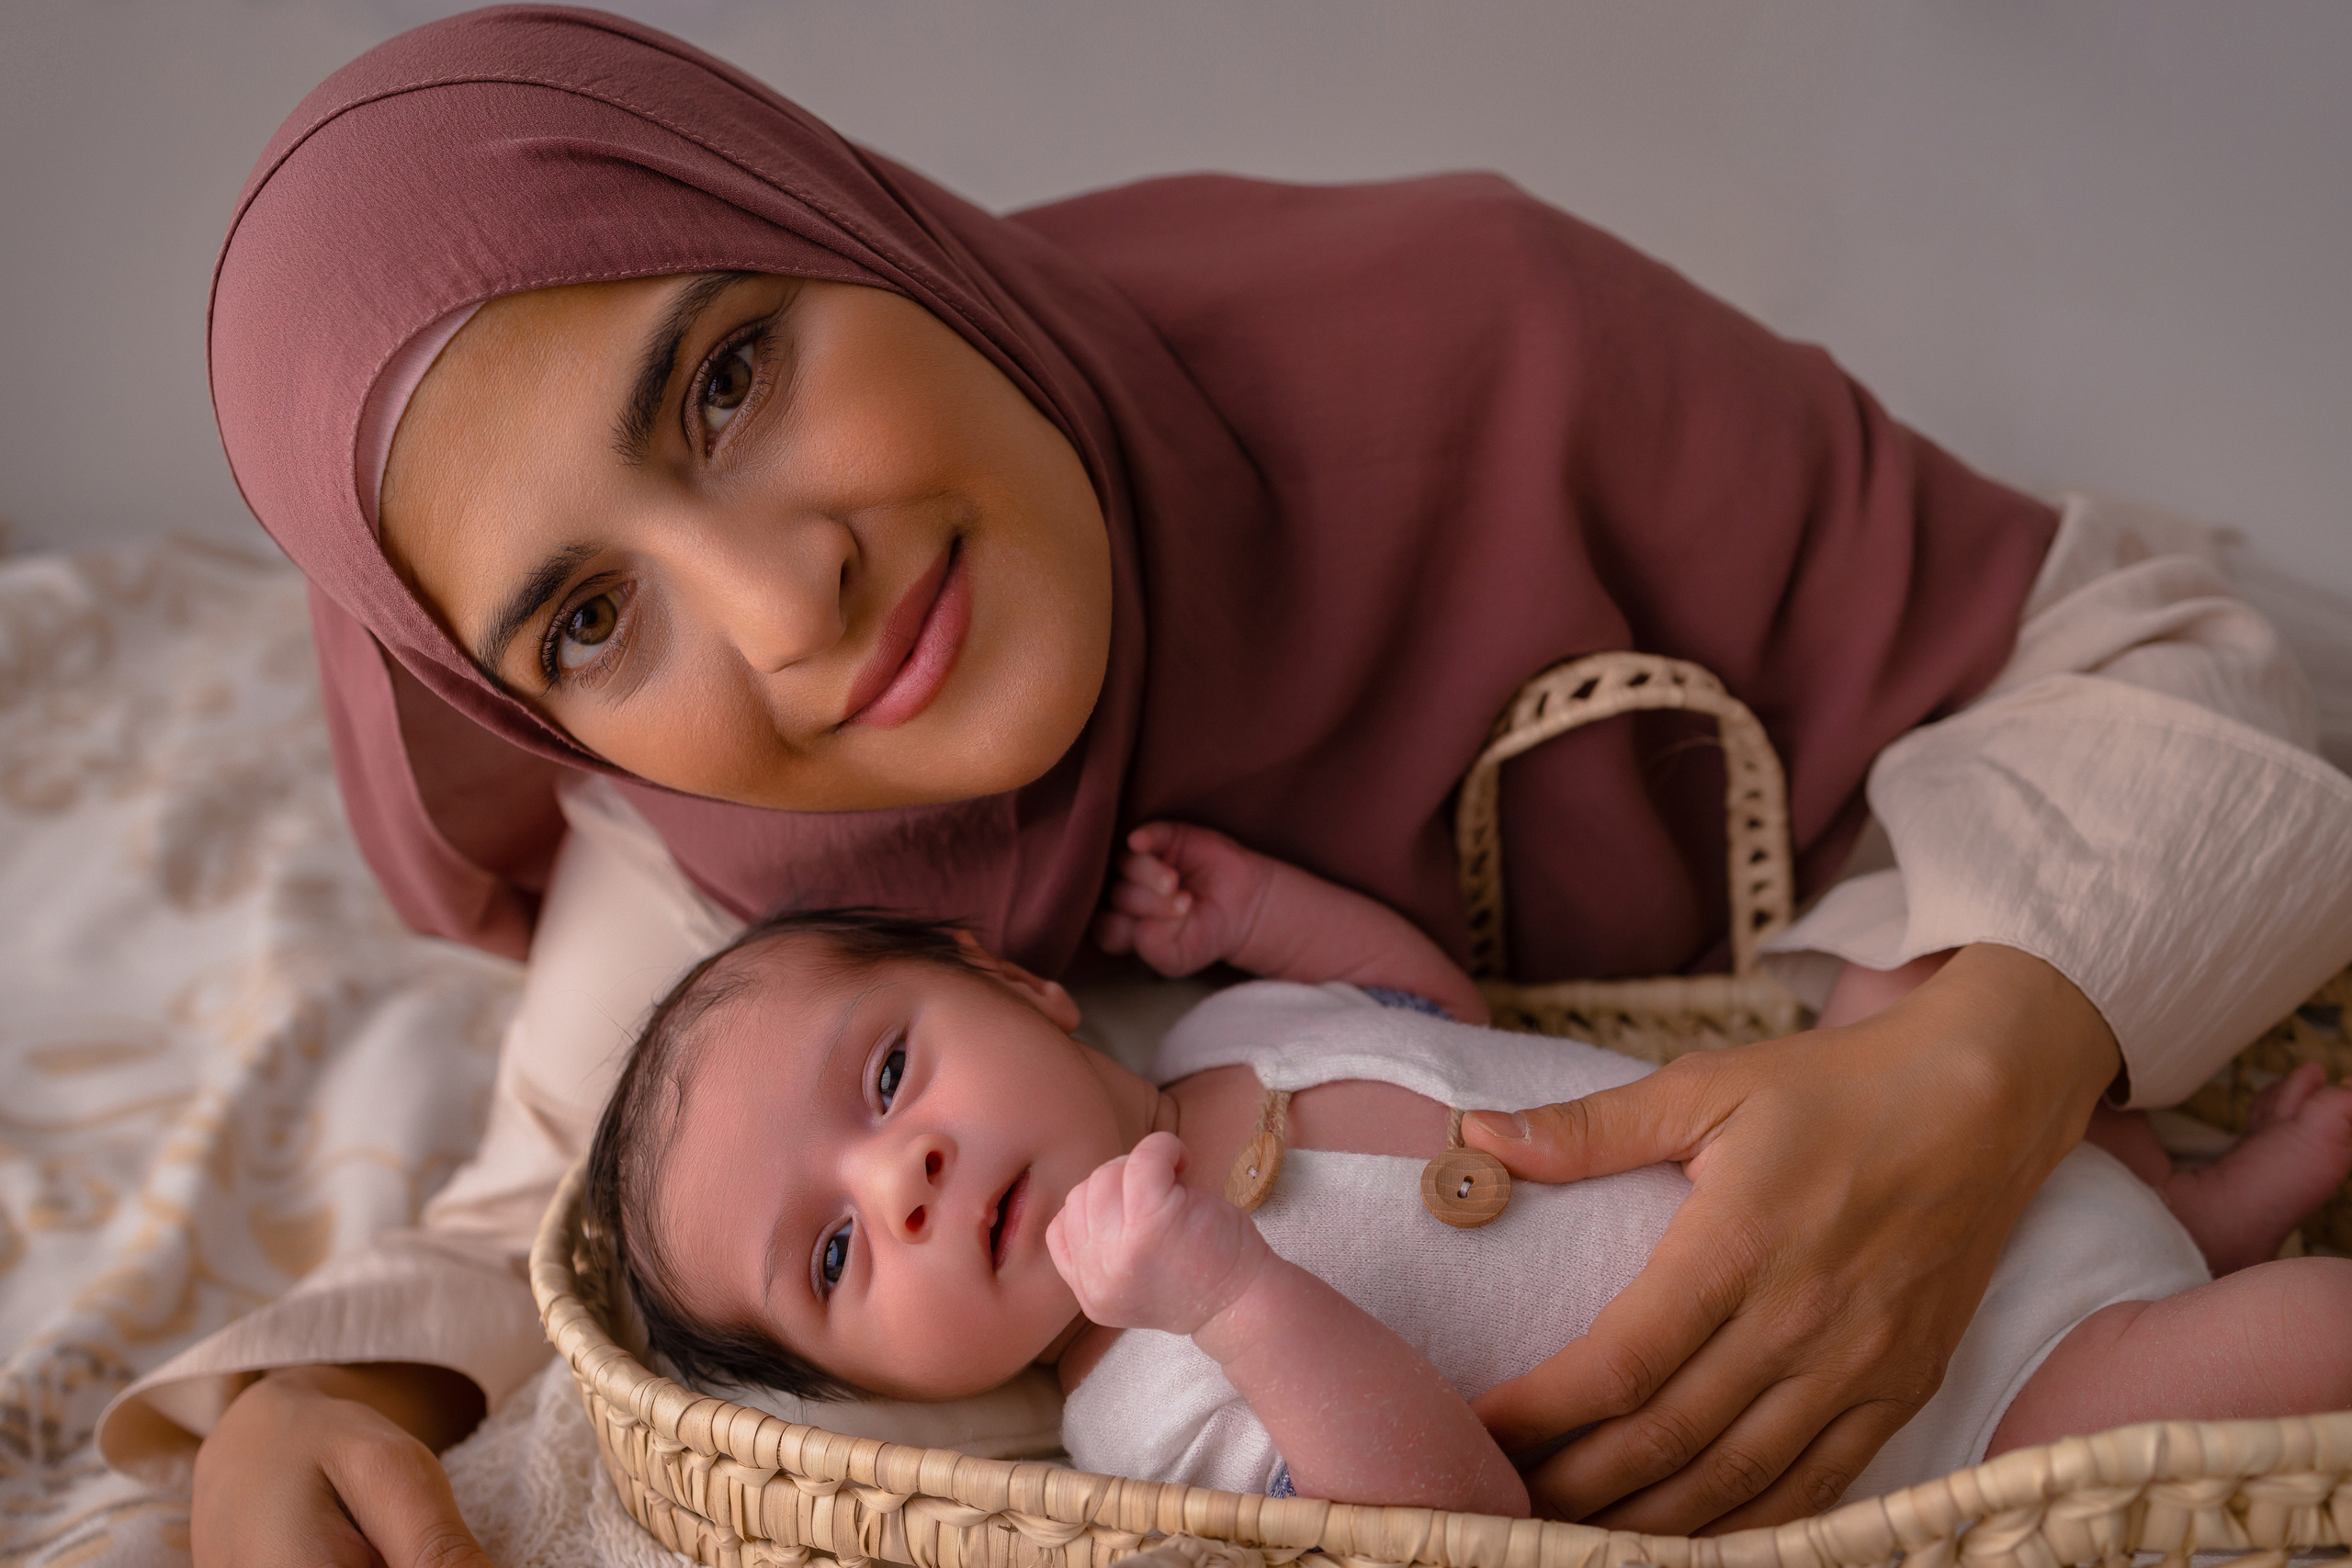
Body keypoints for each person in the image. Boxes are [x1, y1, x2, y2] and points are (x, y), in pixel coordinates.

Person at [94, 6, 2352, 1567]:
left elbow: (2201, 651)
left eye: (725, 380)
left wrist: (1978, 1056)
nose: (786, 609)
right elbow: (562, 1191)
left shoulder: (1486, 348)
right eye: (589, 619)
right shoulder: (722, 852)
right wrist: (335, 1400)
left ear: (839, 224)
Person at [578, 823, 2352, 1518]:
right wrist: (1232, 1296)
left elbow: (1435, 1018)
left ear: (1024, 987)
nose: (900, 1179)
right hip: (1961, 1409)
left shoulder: (1226, 1032)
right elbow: (1450, 1521)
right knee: (2312, 1338)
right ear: (881, 1393)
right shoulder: (1150, 1416)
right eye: (833, 1257)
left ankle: (2177, 1199)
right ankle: (2200, 1259)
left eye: (889, 1074)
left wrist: (1262, 911)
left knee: (1911, 945)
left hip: (1896, 1160)